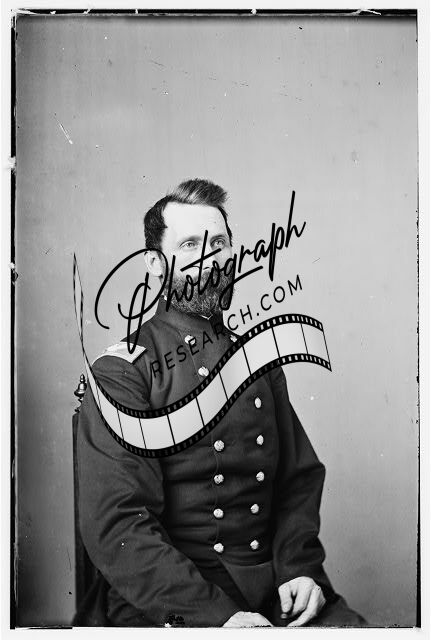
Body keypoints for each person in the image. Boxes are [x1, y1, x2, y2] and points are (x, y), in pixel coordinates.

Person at [74, 179, 366, 627]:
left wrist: (299, 568)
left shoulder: (258, 359)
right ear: (155, 264)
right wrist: (217, 617)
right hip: (171, 604)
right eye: (190, 245)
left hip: (273, 589)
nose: (209, 259)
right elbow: (119, 524)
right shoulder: (123, 372)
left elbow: (298, 478)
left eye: (219, 244)